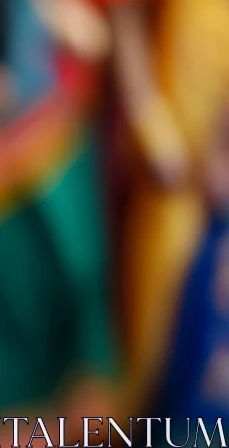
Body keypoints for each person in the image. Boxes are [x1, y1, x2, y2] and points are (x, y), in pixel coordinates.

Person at [0, 0, 118, 443]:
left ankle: (78, 410)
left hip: (54, 129)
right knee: (0, 283)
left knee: (75, 263)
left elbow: (95, 35)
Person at [107, 0, 229, 417]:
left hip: (214, 188)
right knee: (154, 353)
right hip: (170, 182)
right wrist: (152, 128)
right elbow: (125, 17)